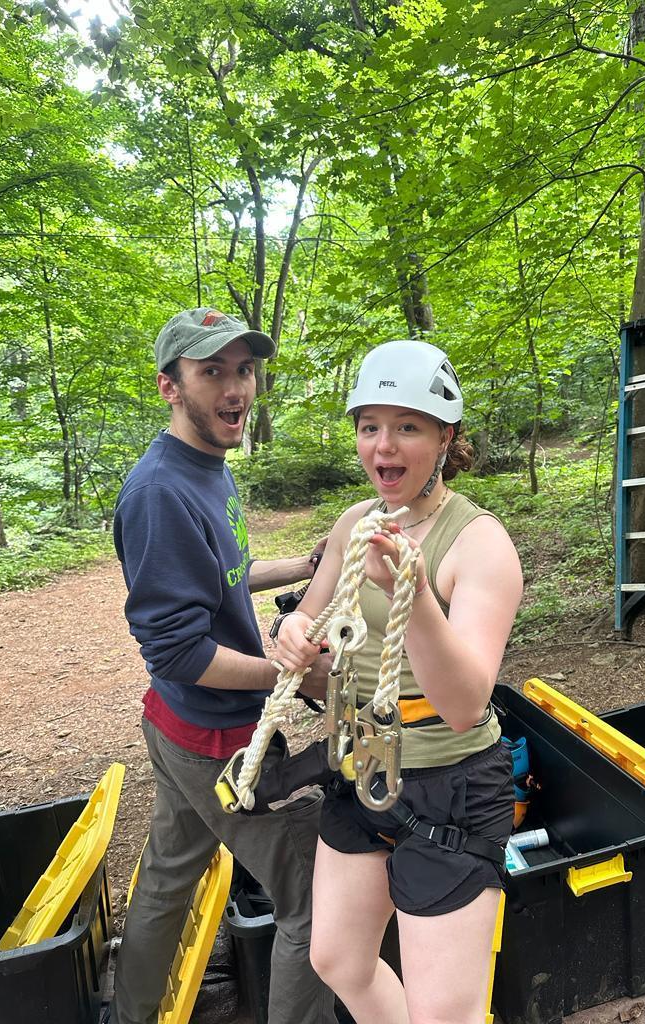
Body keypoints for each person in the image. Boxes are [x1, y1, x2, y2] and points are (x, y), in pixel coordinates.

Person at [273, 339, 524, 1024]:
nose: (383, 445)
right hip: (363, 768)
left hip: (450, 787)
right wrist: (293, 635)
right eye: (369, 426)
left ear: (446, 436)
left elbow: (466, 702)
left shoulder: (478, 545)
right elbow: (315, 616)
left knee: (445, 1014)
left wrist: (411, 596)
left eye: (407, 426)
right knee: (338, 959)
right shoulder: (357, 523)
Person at [109, 307, 337, 1024]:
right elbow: (177, 648)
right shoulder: (158, 494)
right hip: (218, 742)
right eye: (212, 372)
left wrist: (304, 563)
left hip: (181, 727)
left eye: (243, 369)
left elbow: (227, 575)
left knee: (168, 880)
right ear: (168, 387)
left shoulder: (206, 467)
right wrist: (292, 672)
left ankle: (130, 1015)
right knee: (311, 899)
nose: (236, 387)